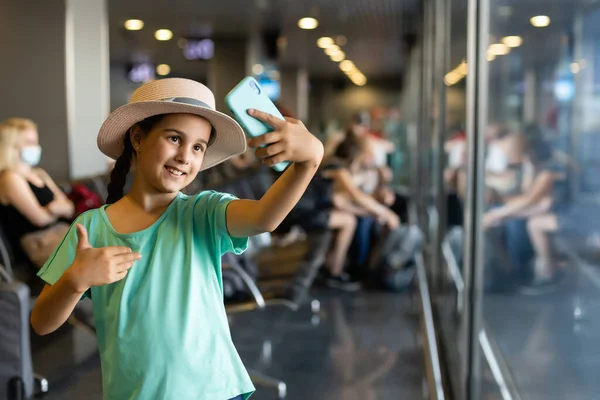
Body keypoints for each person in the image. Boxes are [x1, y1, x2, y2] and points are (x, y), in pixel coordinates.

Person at [30, 78, 324, 400]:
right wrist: (74, 281)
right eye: (174, 138)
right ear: (138, 137)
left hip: (214, 390)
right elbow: (42, 322)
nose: (186, 156)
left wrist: (308, 162)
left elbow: (265, 218)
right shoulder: (92, 228)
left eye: (198, 147)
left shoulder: (203, 212)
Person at [0, 118, 75, 267]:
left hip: (64, 233)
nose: (36, 147)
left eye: (36, 141)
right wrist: (56, 207)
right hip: (40, 244)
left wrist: (50, 210)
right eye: (29, 142)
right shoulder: (10, 178)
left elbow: (70, 207)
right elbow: (39, 219)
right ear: (12, 146)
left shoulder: (39, 173)